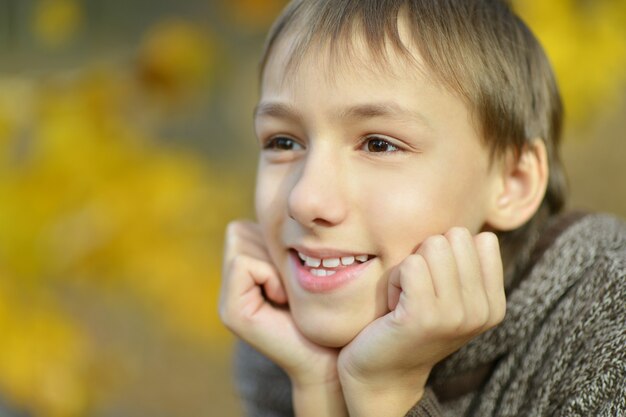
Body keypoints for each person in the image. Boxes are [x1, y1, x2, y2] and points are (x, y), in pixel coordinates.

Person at [219, 0, 626, 416]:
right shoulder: (281, 337)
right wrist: (319, 388)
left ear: (513, 183)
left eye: (379, 144)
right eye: (282, 142)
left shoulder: (611, 324)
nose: (304, 200)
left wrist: (386, 395)